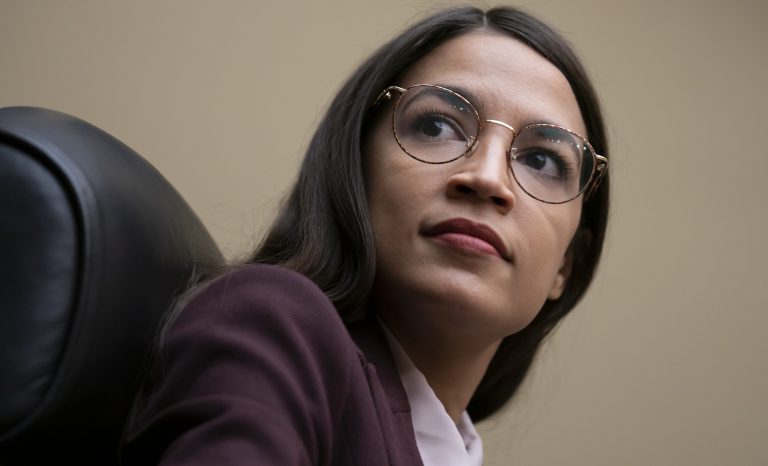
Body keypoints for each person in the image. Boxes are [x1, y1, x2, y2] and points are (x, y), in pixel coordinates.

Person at [121, 5, 609, 466]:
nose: (486, 178)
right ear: (356, 169)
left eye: (542, 160)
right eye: (438, 125)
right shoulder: (270, 320)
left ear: (566, 264)